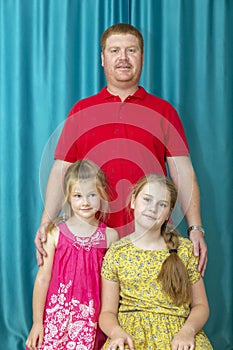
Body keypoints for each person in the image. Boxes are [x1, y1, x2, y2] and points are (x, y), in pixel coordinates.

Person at [35, 23, 207, 275]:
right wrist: (45, 224)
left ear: (142, 57)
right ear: (103, 59)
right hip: (91, 240)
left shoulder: (164, 111)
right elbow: (62, 170)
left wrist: (195, 228)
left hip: (151, 239)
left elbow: (183, 173)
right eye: (115, 50)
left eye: (131, 50)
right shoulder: (82, 110)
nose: (123, 58)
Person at [99, 174, 213, 350]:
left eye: (162, 204)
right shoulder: (116, 253)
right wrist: (116, 333)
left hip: (180, 334)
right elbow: (107, 313)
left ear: (169, 212)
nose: (153, 208)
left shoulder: (184, 250)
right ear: (133, 201)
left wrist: (188, 331)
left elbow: (201, 306)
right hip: (131, 336)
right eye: (147, 200)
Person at [26, 160, 119, 350]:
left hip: (91, 320)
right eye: (78, 195)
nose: (85, 202)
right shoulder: (55, 233)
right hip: (56, 318)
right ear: (68, 197)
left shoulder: (109, 236)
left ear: (102, 195)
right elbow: (43, 279)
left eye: (92, 195)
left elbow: (113, 285)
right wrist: (37, 322)